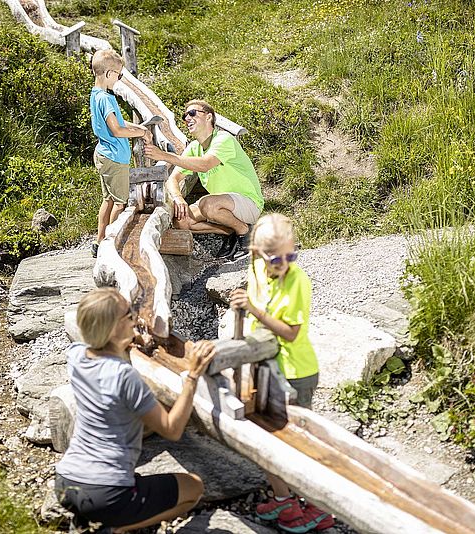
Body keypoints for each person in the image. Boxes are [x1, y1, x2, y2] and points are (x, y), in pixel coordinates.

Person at [55, 287, 216, 533]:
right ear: (111, 329)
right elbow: (172, 430)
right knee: (193, 488)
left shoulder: (76, 355)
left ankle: (91, 517)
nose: (135, 316)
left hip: (65, 483)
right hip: (106, 494)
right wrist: (192, 376)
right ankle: (115, 529)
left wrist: (128, 339)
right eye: (128, 314)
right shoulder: (124, 376)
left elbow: (106, 355)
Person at [229, 213, 335, 533]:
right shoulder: (256, 268)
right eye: (277, 258)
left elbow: (290, 332)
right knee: (265, 438)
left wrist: (253, 309)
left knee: (297, 444)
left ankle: (319, 506)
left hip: (295, 373)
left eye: (292, 255)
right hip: (265, 366)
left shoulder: (297, 280)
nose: (285, 263)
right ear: (257, 253)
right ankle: (283, 499)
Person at [144, 99, 264, 261]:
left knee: (207, 204)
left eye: (192, 113)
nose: (187, 118)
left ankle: (244, 232)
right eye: (185, 115)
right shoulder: (194, 147)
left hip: (248, 203)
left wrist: (165, 156)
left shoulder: (223, 139)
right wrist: (178, 199)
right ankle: (229, 230)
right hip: (221, 205)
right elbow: (173, 179)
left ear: (209, 117)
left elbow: (205, 164)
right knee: (182, 221)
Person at [89, 49, 152, 258]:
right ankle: (111, 244)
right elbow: (116, 130)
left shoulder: (96, 95)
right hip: (115, 158)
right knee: (119, 203)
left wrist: (137, 128)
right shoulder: (107, 99)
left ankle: (99, 242)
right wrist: (141, 131)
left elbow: (115, 123)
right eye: (118, 74)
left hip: (103, 154)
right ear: (108, 74)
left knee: (107, 200)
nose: (119, 78)